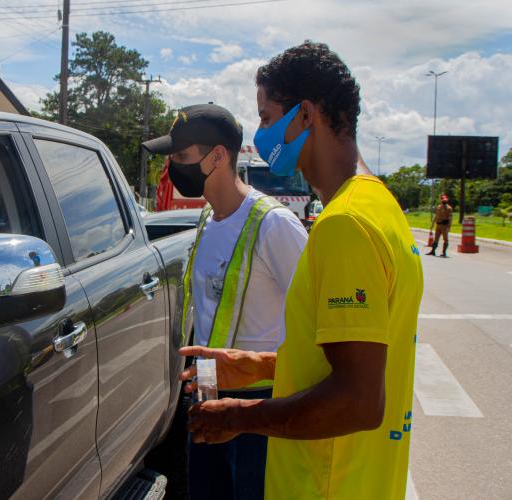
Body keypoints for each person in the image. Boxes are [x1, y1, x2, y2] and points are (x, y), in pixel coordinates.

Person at [180, 41, 424, 500]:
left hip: (326, 483)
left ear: (306, 115)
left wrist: (237, 418)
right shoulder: (381, 207)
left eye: (268, 117)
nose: (261, 132)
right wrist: (259, 366)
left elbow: (357, 400)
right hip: (362, 477)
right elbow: (350, 358)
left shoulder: (345, 226)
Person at [143, 103, 308, 500]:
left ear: (218, 156)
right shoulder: (208, 218)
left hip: (259, 405)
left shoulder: (274, 225)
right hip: (208, 393)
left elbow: (314, 318)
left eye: (182, 156)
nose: (173, 167)